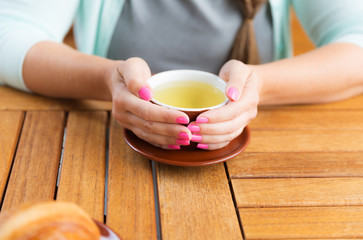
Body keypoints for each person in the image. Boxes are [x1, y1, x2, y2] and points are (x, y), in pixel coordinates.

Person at [1, 0, 363, 150]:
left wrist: (262, 85)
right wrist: (107, 79)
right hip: (108, 144)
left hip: (266, 147)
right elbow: (8, 33)